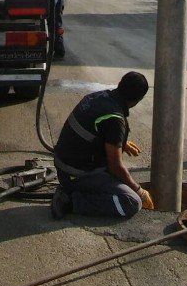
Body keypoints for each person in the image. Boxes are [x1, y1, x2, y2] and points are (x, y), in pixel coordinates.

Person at [51, 71, 154, 219]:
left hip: (64, 165)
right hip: (75, 174)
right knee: (132, 201)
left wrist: (120, 144)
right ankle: (70, 201)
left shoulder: (97, 97)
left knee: (121, 181)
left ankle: (71, 190)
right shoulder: (114, 119)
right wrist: (139, 191)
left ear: (120, 84)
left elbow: (92, 132)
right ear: (137, 100)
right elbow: (115, 167)